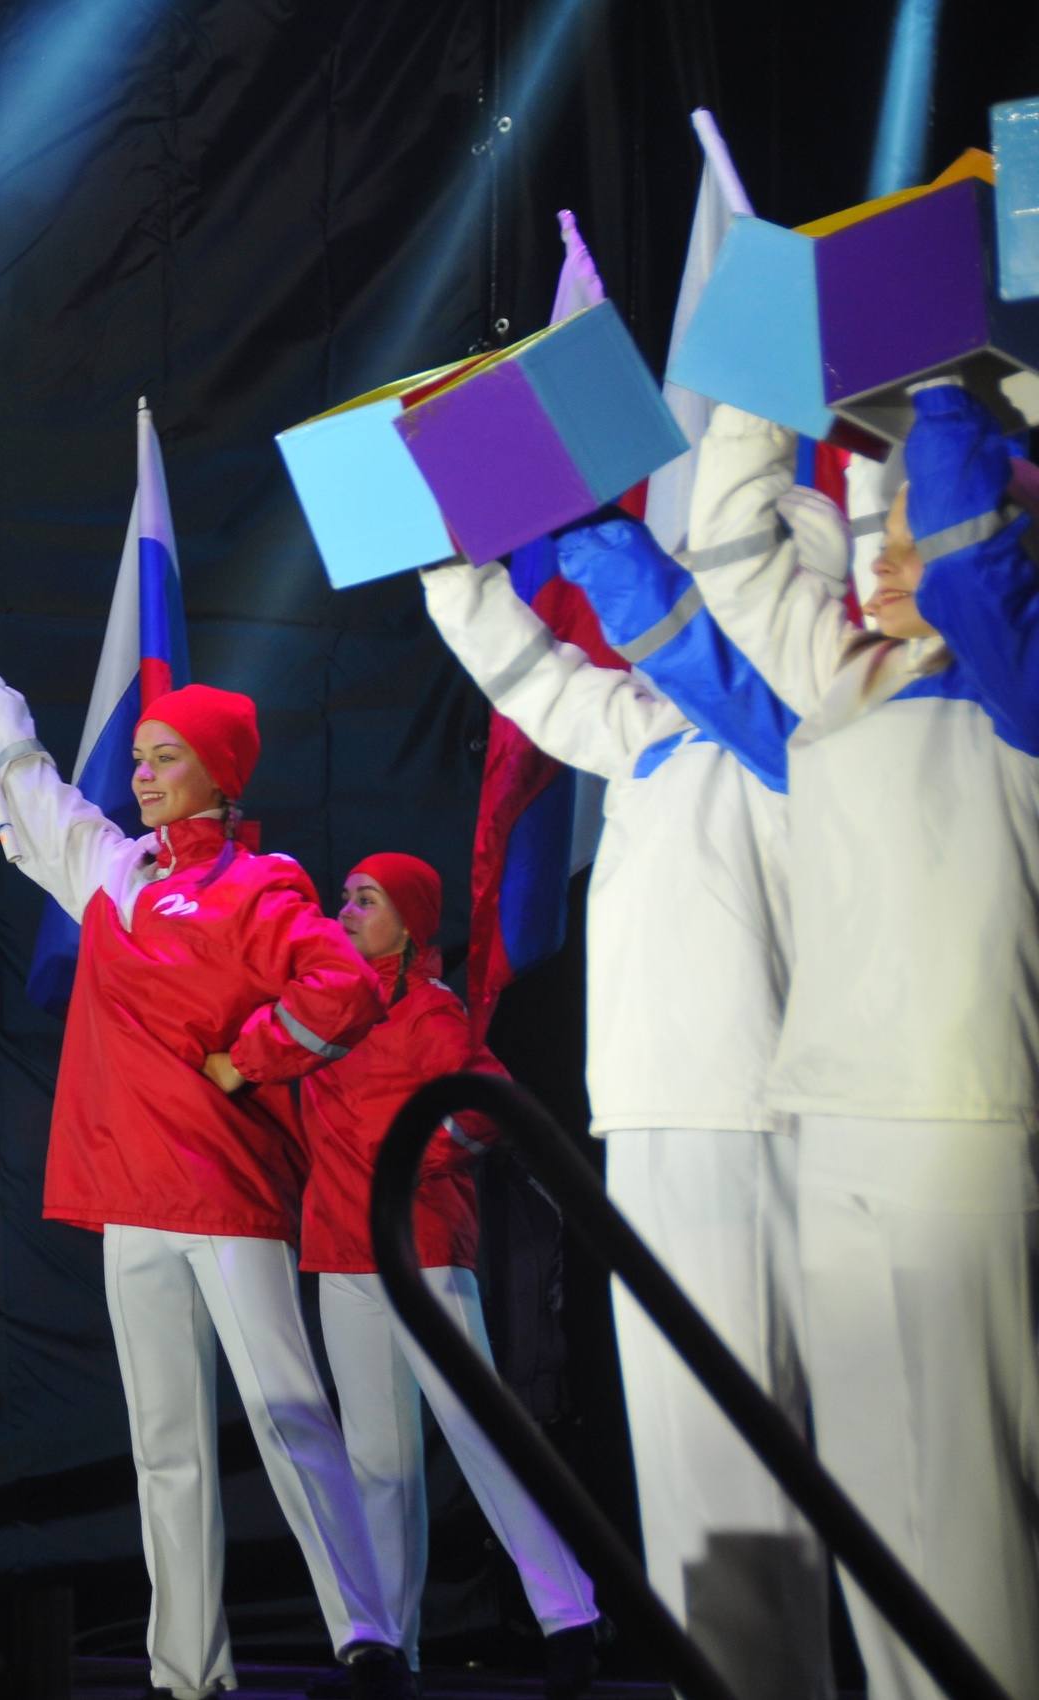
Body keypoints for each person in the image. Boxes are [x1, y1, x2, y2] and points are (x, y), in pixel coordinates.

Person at [0, 619, 406, 1700]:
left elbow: (347, 987)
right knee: (163, 1441)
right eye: (137, 757)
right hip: (131, 1195)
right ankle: (185, 1667)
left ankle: (366, 1631)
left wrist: (252, 1058)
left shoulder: (262, 882)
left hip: (227, 1192)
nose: (140, 775)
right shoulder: (109, 869)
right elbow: (28, 782)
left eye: (164, 757)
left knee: (287, 1411)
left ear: (218, 772)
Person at [417, 516, 836, 1699]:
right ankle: (727, 1670)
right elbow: (528, 676)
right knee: (679, 1446)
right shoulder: (653, 728)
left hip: (751, 1113)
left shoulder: (807, 721)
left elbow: (707, 659)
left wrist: (595, 527)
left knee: (750, 1430)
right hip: (646, 1111)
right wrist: (444, 550)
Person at [683, 384, 1039, 1700]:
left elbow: (969, 561)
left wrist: (944, 380)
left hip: (962, 1122)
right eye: (877, 540)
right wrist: (761, 365)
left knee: (965, 1491)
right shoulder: (835, 684)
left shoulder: (1020, 687)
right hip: (829, 1116)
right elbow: (723, 543)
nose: (888, 560)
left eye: (912, 538)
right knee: (872, 1502)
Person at [299, 854, 601, 1689]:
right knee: (377, 1463)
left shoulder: (431, 1012)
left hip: (421, 1248)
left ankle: (569, 1614)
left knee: (479, 1434)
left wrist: (409, 1167)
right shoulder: (327, 1007)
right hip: (338, 1252)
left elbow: (487, 1110)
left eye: (367, 899)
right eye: (345, 894)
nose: (347, 908)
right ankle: (391, 1648)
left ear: (411, 922)